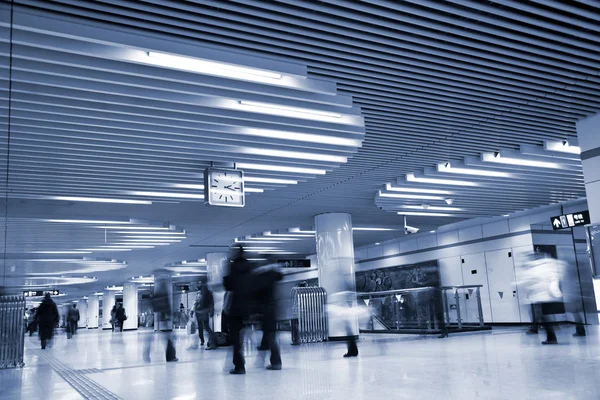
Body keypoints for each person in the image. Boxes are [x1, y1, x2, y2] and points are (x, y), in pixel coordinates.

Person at [223, 245, 254, 374]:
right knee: (241, 336)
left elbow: (228, 286)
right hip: (247, 307)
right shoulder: (249, 266)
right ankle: (241, 361)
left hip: (235, 308)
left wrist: (225, 270)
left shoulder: (232, 266)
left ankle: (239, 366)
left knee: (235, 338)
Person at [254, 261, 283, 370]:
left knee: (270, 337)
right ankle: (274, 361)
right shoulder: (272, 277)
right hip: (272, 310)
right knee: (270, 335)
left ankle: (276, 363)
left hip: (266, 311)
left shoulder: (262, 279)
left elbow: (257, 295)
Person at [144, 273, 178, 362]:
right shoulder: (163, 295)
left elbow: (152, 303)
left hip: (158, 317)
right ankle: (170, 357)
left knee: (152, 338)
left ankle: (146, 355)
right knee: (168, 338)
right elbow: (167, 307)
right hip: (163, 318)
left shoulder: (157, 295)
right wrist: (168, 316)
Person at [194, 284, 216, 350]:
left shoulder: (207, 294)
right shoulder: (201, 294)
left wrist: (211, 311)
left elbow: (211, 304)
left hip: (203, 312)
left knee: (206, 327)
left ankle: (212, 343)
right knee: (203, 327)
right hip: (200, 312)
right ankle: (204, 341)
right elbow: (196, 302)